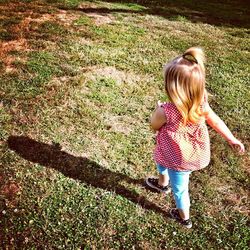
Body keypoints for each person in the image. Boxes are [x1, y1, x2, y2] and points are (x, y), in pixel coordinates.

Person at [145, 47, 245, 229]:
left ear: (172, 88)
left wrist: (157, 109)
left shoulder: (165, 110)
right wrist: (232, 139)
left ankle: (184, 217)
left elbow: (154, 125)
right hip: (193, 154)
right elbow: (216, 121)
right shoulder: (201, 104)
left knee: (180, 189)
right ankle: (162, 183)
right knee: (160, 158)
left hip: (177, 158)